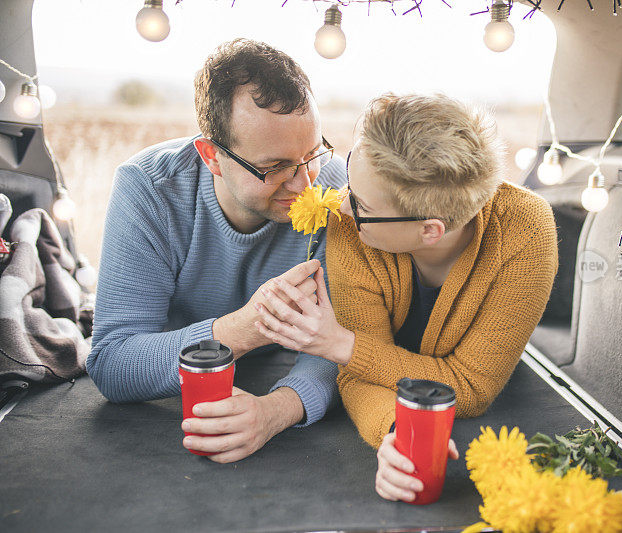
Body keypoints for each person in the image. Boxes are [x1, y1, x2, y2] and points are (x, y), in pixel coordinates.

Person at [253, 93, 558, 501]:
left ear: (430, 230)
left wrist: (342, 344)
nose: (341, 206)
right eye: (348, 180)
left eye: (360, 205)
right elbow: (357, 373)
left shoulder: (527, 232)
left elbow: (470, 387)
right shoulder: (351, 226)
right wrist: (395, 431)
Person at [86, 39, 346, 463]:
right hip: (177, 387)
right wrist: (250, 326)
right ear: (212, 157)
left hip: (289, 377)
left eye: (312, 153)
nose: (305, 185)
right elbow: (114, 363)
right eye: (275, 167)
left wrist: (276, 411)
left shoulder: (335, 189)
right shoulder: (148, 190)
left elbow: (345, 344)